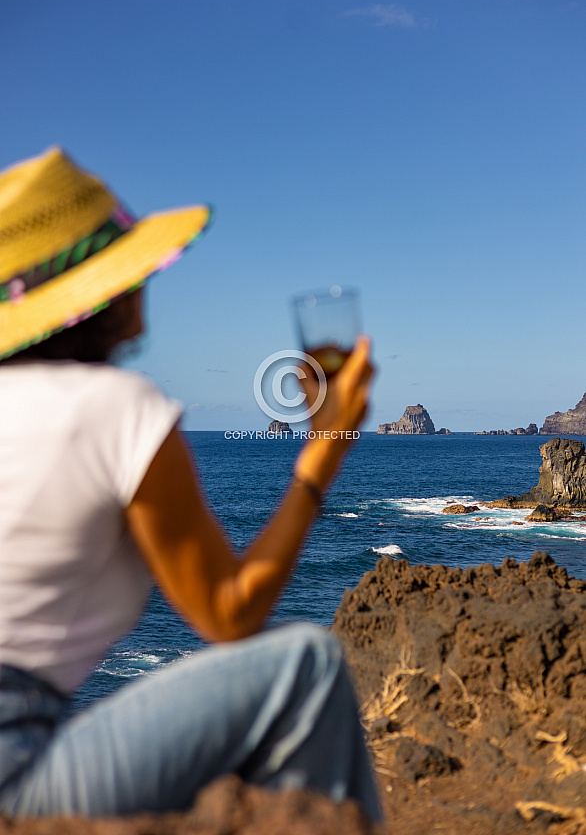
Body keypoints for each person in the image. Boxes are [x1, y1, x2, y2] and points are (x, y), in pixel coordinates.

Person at [0, 147, 379, 820]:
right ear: (101, 290)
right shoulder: (115, 407)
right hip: (13, 766)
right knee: (308, 663)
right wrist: (324, 451)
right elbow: (228, 614)